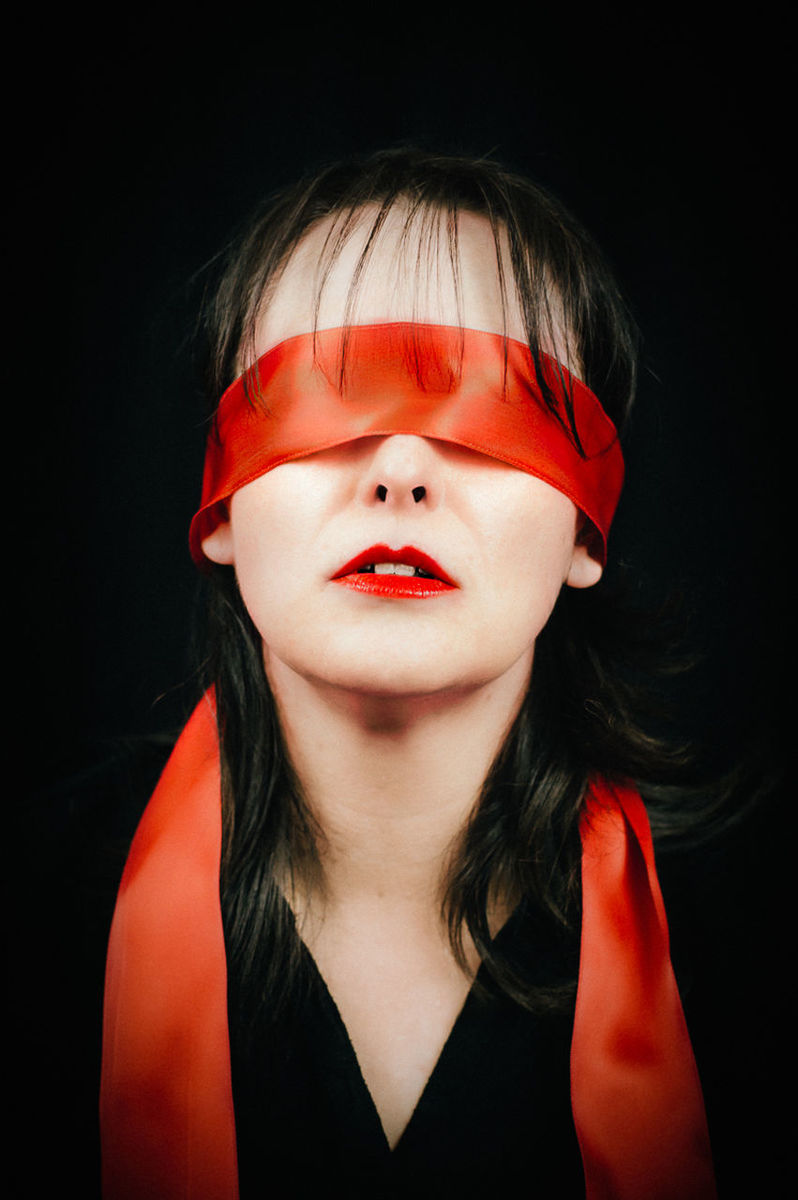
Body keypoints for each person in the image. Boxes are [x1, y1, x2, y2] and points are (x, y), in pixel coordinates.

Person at [98, 148, 723, 1199]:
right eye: (319, 395)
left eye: (499, 408)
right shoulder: (30, 912)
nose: (399, 471)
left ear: (588, 525)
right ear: (219, 506)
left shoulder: (753, 955)